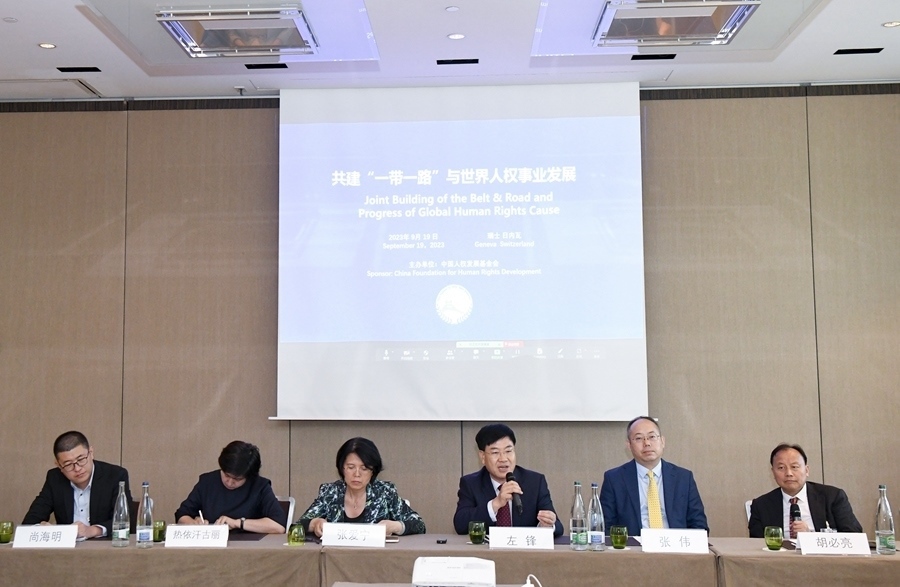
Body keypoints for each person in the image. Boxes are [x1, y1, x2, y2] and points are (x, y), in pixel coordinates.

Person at [600, 416, 708, 534]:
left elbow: (699, 526)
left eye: (652, 437)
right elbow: (606, 527)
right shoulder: (614, 479)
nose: (647, 443)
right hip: (635, 545)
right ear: (629, 445)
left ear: (662, 441)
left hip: (674, 543)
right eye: (639, 438)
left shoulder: (684, 478)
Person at [298, 437, 425, 536]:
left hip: (375, 558)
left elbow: (419, 525)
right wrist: (315, 523)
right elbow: (298, 526)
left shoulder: (385, 492)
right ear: (342, 469)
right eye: (351, 467)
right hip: (337, 557)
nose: (357, 474)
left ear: (373, 471)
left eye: (364, 468)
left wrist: (395, 526)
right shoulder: (331, 492)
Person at [453, 423, 564, 537]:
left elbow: (558, 527)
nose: (503, 459)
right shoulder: (471, 483)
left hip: (522, 548)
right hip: (488, 549)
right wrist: (495, 504)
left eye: (508, 451)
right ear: (482, 456)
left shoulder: (535, 482)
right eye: (495, 452)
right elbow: (460, 524)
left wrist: (547, 525)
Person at [22, 430, 132, 540]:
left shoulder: (115, 476)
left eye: (81, 459)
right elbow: (30, 520)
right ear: (59, 465)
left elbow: (125, 521)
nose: (77, 468)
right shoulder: (55, 479)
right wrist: (41, 528)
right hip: (68, 548)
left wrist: (92, 530)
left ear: (91, 453)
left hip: (103, 546)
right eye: (68, 464)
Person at [748, 443, 862, 538]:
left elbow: (854, 536)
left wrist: (811, 536)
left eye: (794, 467)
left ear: (806, 470)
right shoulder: (761, 505)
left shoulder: (832, 497)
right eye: (781, 468)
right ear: (773, 472)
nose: (788, 473)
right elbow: (755, 546)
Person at [175, 440, 286, 533]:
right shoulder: (207, 482)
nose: (229, 482)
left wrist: (238, 523)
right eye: (226, 475)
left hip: (249, 548)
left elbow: (278, 526)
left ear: (248, 477)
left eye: (237, 479)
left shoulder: (260, 486)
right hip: (212, 547)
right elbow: (182, 515)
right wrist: (193, 523)